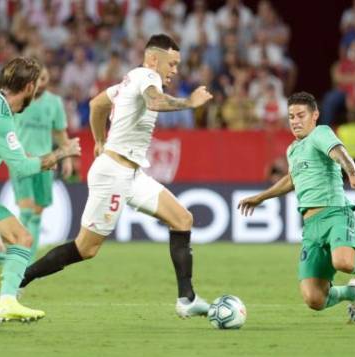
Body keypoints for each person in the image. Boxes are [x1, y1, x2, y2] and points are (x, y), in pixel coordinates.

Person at [19, 34, 213, 318]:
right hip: (113, 175)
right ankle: (21, 277)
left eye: (177, 65)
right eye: (171, 64)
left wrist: (99, 140)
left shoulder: (130, 80)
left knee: (182, 219)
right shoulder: (148, 77)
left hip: (132, 173)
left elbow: (98, 103)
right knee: (86, 249)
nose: (174, 70)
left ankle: (187, 299)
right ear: (153, 59)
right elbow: (156, 103)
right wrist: (189, 102)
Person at [238, 92, 355, 323]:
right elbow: (292, 180)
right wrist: (261, 197)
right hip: (311, 226)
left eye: (301, 115)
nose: (295, 121)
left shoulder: (321, 133)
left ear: (315, 116)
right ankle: (351, 293)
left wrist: (352, 174)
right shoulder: (293, 149)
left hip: (335, 213)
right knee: (314, 299)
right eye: (291, 116)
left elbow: (340, 153)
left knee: (344, 262)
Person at [0, 57, 81, 322]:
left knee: (6, 245)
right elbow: (21, 167)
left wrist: (45, 158)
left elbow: (17, 156)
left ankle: (7, 303)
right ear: (30, 87)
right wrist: (61, 154)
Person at [11, 64, 73, 263]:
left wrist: (68, 158)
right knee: (27, 211)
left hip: (46, 162)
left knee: (37, 213)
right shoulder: (17, 99)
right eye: (38, 79)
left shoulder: (54, 103)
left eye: (45, 79)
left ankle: (28, 260)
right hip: (21, 162)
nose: (42, 83)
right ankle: (20, 255)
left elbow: (60, 133)